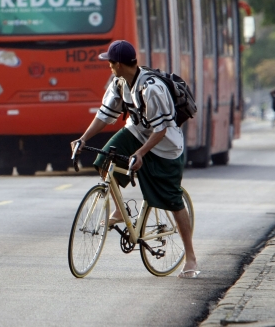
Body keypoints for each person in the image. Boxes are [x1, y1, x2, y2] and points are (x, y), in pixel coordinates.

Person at [70, 40, 199, 279]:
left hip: (165, 145)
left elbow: (160, 130)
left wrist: (139, 153)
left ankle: (190, 257)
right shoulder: (119, 83)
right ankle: (120, 211)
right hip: (136, 132)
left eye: (110, 62)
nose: (108, 66)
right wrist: (83, 139)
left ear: (118, 64)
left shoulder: (151, 88)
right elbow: (104, 115)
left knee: (171, 198)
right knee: (103, 160)